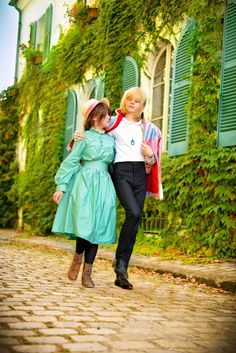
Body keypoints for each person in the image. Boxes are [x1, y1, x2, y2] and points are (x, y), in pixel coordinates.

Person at [72, 87, 162, 290]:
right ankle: (118, 263)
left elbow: (154, 158)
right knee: (134, 211)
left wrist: (149, 155)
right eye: (129, 99)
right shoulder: (113, 122)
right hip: (121, 172)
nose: (132, 103)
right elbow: (94, 126)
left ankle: (121, 268)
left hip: (140, 172)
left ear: (142, 105)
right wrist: (79, 135)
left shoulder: (149, 129)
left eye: (137, 101)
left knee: (135, 217)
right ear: (125, 101)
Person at [52, 98, 116, 288]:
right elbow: (71, 161)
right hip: (85, 183)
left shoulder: (111, 139)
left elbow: (115, 165)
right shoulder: (83, 137)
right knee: (85, 224)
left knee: (96, 228)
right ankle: (77, 259)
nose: (110, 117)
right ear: (96, 117)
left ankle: (87, 273)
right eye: (107, 114)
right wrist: (61, 186)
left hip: (104, 185)